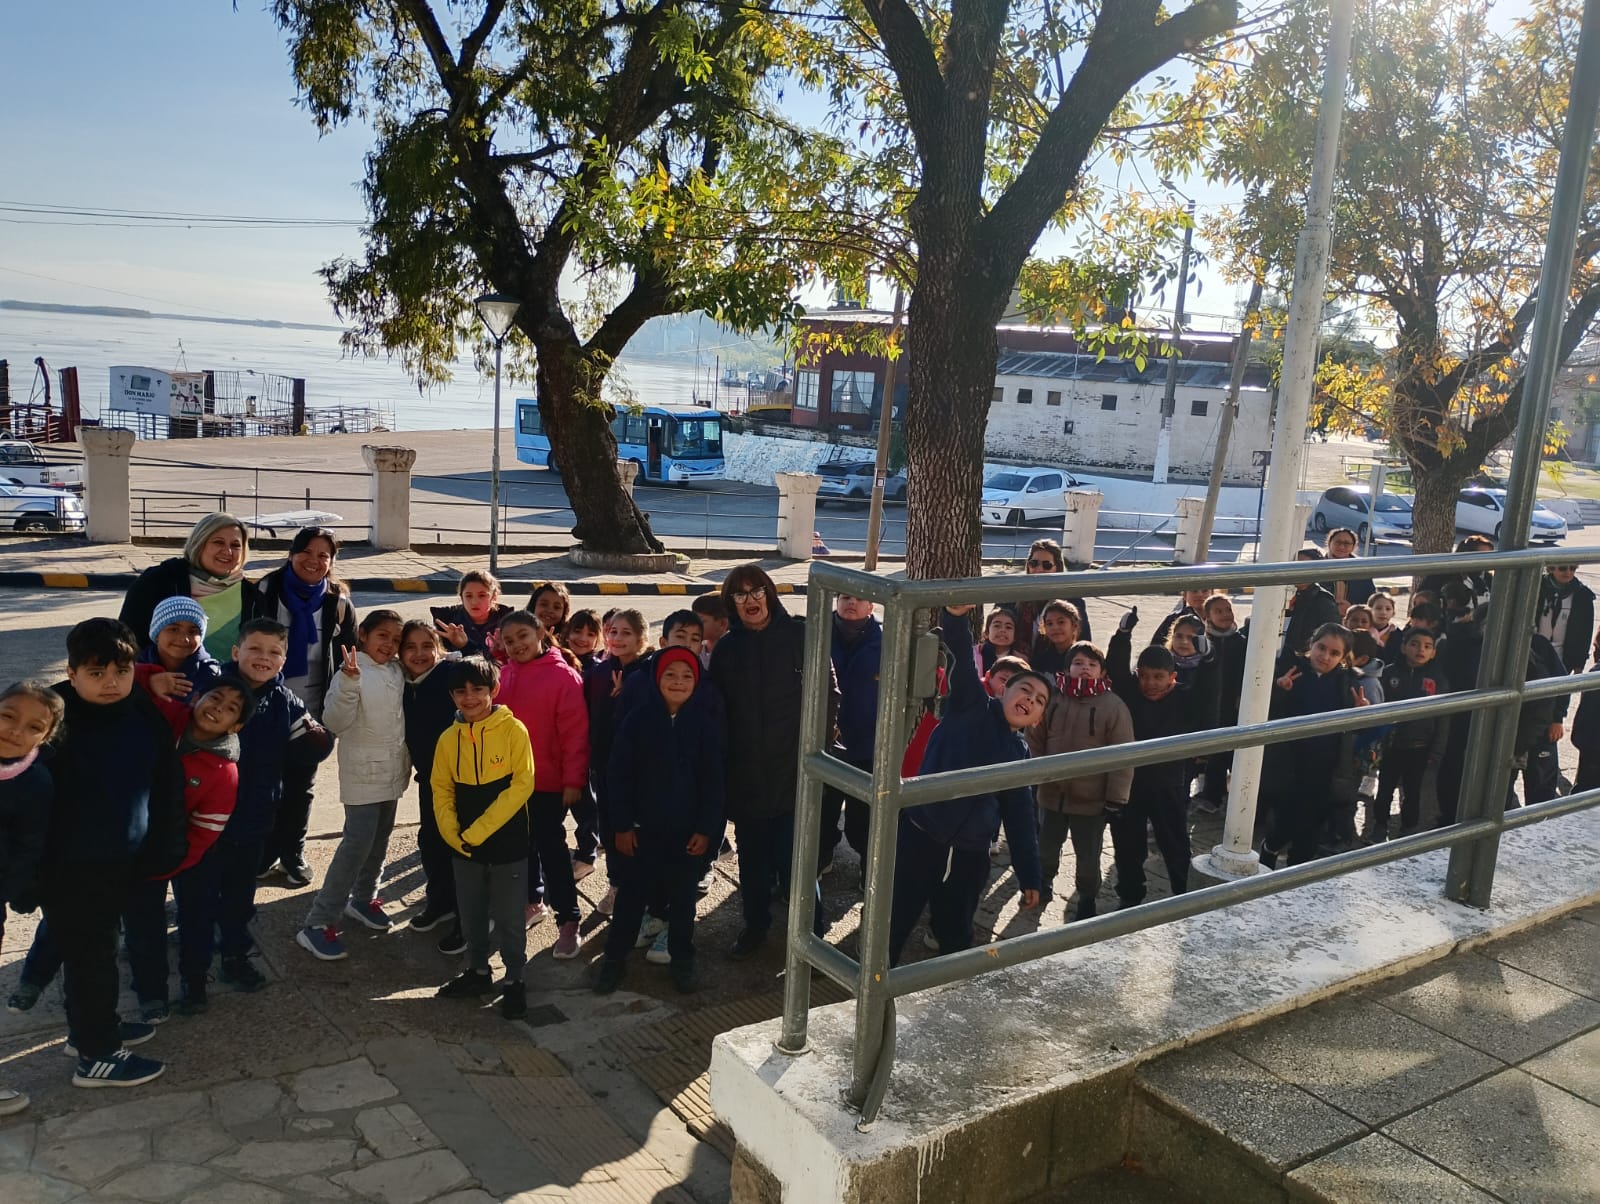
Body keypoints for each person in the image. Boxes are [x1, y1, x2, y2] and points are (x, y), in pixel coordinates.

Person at [44, 619, 185, 1088]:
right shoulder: (52, 721)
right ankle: (98, 1056)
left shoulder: (138, 710)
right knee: (92, 957)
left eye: (120, 671)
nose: (111, 683)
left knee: (99, 953)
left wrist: (163, 845)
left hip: (123, 862)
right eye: (96, 672)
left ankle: (87, 1028)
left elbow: (164, 780)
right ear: (72, 673)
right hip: (72, 869)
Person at [175, 618, 331, 1010]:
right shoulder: (209, 686)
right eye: (255, 649)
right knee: (196, 905)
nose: (264, 658)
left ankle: (234, 957)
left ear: (284, 660)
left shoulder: (286, 703)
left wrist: (317, 739)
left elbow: (314, 749)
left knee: (240, 901)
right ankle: (193, 978)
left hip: (253, 820)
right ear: (236, 652)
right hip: (197, 825)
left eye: (274, 652)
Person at [887, 606, 1044, 965]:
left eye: (1038, 701)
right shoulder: (970, 704)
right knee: (896, 918)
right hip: (921, 833)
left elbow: (1020, 817)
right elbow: (960, 653)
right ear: (998, 689)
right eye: (1022, 689)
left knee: (956, 929)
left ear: (1038, 718)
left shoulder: (1019, 753)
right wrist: (955, 617)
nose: (1028, 700)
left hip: (969, 853)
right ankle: (874, 986)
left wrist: (1030, 873)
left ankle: (948, 990)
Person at [710, 565, 832, 960]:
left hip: (795, 770)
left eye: (756, 590)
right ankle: (756, 925)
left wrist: (819, 750)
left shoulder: (799, 634)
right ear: (731, 603)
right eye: (740, 594)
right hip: (747, 776)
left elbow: (829, 694)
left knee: (797, 859)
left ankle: (813, 934)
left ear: (769, 593)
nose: (750, 600)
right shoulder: (728, 649)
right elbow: (718, 712)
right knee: (754, 861)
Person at [595, 647, 724, 994]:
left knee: (682, 904)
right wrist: (621, 825)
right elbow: (617, 777)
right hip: (641, 833)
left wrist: (706, 831)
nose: (678, 682)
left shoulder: (704, 726)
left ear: (697, 683)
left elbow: (715, 783)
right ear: (656, 679)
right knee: (630, 900)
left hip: (686, 836)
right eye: (670, 675)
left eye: (687, 676)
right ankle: (614, 959)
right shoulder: (637, 721)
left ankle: (682, 959)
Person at [123, 676, 250, 1023]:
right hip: (139, 846)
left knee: (197, 916)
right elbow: (126, 678)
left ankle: (195, 982)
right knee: (142, 924)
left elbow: (206, 831)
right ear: (197, 697)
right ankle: (151, 994)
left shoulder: (225, 772)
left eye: (230, 709)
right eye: (215, 697)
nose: (217, 708)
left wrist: (167, 867)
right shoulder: (166, 717)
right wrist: (154, 675)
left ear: (235, 726)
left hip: (190, 854)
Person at [297, 610, 411, 960]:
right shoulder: (351, 672)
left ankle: (363, 900)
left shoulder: (395, 670)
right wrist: (347, 683)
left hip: (393, 773)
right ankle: (317, 922)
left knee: (379, 839)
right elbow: (334, 721)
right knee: (356, 844)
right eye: (382, 636)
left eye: (395, 640)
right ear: (363, 634)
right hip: (362, 775)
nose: (389, 645)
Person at [252, 527, 358, 888]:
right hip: (264, 707)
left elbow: (350, 657)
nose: (314, 561)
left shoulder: (337, 603)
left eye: (323, 555)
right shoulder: (265, 592)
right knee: (264, 784)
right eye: (307, 552)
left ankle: (293, 854)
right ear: (291, 553)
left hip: (312, 711)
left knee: (300, 786)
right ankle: (263, 855)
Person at [432, 656, 537, 1021]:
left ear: (494, 691)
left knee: (509, 918)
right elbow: (441, 788)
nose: (470, 697)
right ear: (452, 696)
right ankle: (477, 971)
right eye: (461, 691)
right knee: (471, 913)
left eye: (478, 689)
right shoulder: (448, 739)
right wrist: (451, 831)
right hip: (463, 845)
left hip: (506, 842)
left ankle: (515, 979)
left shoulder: (513, 731)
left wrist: (477, 831)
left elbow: (522, 784)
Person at [494, 610, 587, 959]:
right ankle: (533, 901)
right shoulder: (503, 676)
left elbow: (575, 735)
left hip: (548, 783)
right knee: (521, 846)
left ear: (541, 634)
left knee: (552, 851)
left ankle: (569, 920)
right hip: (509, 784)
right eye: (509, 640)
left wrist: (573, 780)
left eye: (523, 636)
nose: (517, 645)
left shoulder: (563, 678)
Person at [1107, 620, 1210, 906]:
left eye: (1158, 677)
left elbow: (1211, 692)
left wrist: (1210, 657)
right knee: (1128, 847)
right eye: (1145, 676)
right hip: (1131, 784)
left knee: (1175, 843)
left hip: (1169, 783)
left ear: (1172, 677)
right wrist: (1122, 635)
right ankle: (1129, 897)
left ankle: (1183, 894)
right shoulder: (1131, 693)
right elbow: (1115, 668)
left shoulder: (1183, 698)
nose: (1150, 684)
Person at [1028, 641, 1133, 920]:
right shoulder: (1053, 699)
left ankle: (1087, 896)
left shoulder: (1113, 706)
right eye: (1078, 663)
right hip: (1051, 794)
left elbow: (1122, 756)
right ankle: (1043, 883)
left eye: (1091, 664)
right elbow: (1035, 738)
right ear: (1067, 668)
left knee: (1088, 856)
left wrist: (1116, 797)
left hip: (1091, 800)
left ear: (1102, 671)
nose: (1084, 668)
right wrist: (1034, 775)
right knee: (1046, 846)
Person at [0, 680, 64, 1115]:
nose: (15, 730)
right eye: (7, 715)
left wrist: (16, 891)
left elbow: (29, 847)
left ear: (45, 737)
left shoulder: (34, 781)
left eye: (33, 726)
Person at [1259, 623, 1366, 867]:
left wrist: (1361, 714)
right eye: (1321, 647)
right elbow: (1265, 713)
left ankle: (1297, 875)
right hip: (1289, 765)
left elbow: (1356, 731)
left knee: (1310, 830)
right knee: (1283, 821)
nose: (1325, 656)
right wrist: (1280, 690)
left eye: (1334, 653)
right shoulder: (1292, 671)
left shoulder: (1346, 683)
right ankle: (1269, 852)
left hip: (1325, 769)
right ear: (1311, 644)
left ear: (1343, 657)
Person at [583, 608, 653, 911]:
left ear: (641, 638)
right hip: (604, 766)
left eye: (626, 633)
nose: (617, 638)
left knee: (637, 832)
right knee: (611, 831)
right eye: (613, 632)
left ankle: (643, 892)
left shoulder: (649, 673)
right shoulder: (600, 670)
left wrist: (629, 692)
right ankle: (616, 885)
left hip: (640, 771)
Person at [399, 621, 463, 952]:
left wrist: (466, 648)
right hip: (429, 781)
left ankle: (468, 920)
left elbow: (483, 677)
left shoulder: (449, 674)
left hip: (464, 782)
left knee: (463, 849)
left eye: (428, 645)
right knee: (432, 842)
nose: (420, 653)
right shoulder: (405, 682)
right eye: (410, 647)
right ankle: (440, 903)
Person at [119, 513, 250, 659]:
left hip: (231, 681)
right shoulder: (159, 580)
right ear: (199, 544)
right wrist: (149, 675)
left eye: (235, 545)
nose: (227, 551)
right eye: (218, 542)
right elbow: (125, 640)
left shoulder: (252, 595)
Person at [819, 594, 881, 880]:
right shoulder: (818, 632)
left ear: (871, 606)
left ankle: (869, 870)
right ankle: (819, 860)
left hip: (868, 743)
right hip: (824, 741)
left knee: (864, 819)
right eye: (845, 597)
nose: (851, 603)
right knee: (822, 811)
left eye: (859, 598)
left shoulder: (886, 640)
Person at [1370, 628, 1449, 840]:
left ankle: (1409, 828)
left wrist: (1437, 750)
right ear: (1404, 647)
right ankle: (1380, 823)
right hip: (1392, 744)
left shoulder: (1438, 680)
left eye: (1427, 646)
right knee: (1385, 788)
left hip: (1420, 747)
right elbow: (1379, 706)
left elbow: (1442, 718)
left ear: (1433, 652)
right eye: (1414, 644)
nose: (1420, 650)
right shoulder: (1389, 673)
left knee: (1413, 792)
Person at [1530, 564, 1595, 799]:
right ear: (1550, 569)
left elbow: (1584, 629)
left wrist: (1579, 661)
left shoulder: (1582, 596)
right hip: (1534, 653)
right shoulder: (1537, 590)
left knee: (1556, 694)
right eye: (1560, 568)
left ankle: (1552, 723)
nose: (1566, 573)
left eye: (1570, 568)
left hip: (1561, 656)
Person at [1198, 594, 1247, 811]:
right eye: (1218, 611)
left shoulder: (1242, 641)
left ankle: (1239, 796)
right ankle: (1212, 795)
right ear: (1207, 616)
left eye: (1228, 609)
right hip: (1212, 704)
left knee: (1237, 752)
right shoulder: (1204, 643)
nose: (1226, 614)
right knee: (1216, 750)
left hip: (1235, 704)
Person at [1003, 538, 1092, 653]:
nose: (1039, 570)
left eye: (1047, 565)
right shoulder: (1011, 597)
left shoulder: (1073, 602)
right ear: (1028, 566)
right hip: (1014, 665)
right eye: (1033, 563)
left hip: (1055, 667)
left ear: (1057, 569)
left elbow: (1084, 645)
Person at [135, 595, 223, 701]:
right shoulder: (133, 667)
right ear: (157, 634)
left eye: (192, 632)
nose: (184, 639)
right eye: (174, 629)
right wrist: (147, 683)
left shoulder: (210, 675)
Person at [431, 570, 513, 659]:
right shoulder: (448, 621)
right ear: (461, 597)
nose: (474, 602)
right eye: (468, 596)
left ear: (494, 597)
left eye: (482, 595)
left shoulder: (508, 622)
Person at [1278, 549, 1340, 657]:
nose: (1298, 572)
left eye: (1304, 568)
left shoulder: (1323, 601)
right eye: (1295, 566)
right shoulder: (1280, 593)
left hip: (1298, 664)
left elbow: (1331, 637)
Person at [1418, 536, 1494, 609]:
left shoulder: (1488, 579)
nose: (1486, 561)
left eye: (1489, 557)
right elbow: (1424, 599)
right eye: (1482, 556)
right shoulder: (1442, 576)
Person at [1026, 599, 1083, 690]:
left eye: (1061, 622)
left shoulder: (1085, 657)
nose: (1055, 627)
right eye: (1050, 624)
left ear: (1074, 625)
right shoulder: (1040, 661)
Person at [1319, 527, 1376, 614]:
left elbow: (1371, 601)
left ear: (1353, 547)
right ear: (1329, 542)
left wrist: (1352, 608)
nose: (1341, 546)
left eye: (1347, 543)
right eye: (1338, 542)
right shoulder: (1317, 567)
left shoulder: (1362, 570)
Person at [977, 608, 1020, 675]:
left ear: (1015, 636)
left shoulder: (1020, 660)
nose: (1002, 630)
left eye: (1008, 627)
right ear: (986, 633)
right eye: (997, 626)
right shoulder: (974, 655)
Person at [692, 593, 730, 669]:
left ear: (722, 623)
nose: (694, 625)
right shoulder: (698, 649)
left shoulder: (730, 651)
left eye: (701, 621)